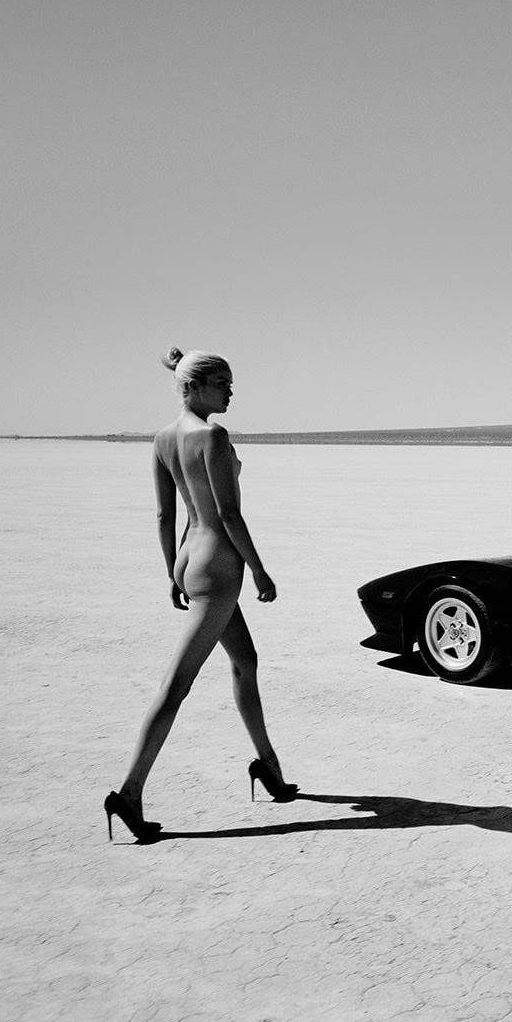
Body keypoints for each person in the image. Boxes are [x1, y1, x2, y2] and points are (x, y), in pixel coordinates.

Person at [104, 347, 297, 842]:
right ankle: (129, 792)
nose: (231, 391)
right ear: (193, 387)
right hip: (219, 566)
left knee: (245, 661)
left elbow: (165, 515)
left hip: (190, 557)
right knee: (177, 684)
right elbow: (229, 515)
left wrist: (173, 571)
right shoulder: (212, 436)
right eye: (222, 383)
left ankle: (269, 766)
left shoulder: (163, 439)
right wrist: (260, 571)